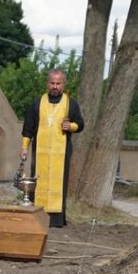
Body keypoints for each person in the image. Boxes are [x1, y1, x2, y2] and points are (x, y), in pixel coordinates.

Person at [20, 69, 85, 228]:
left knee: (59, 183)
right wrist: (24, 148)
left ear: (63, 84)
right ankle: (38, 216)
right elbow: (28, 128)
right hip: (41, 151)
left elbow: (81, 124)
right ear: (47, 83)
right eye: (52, 83)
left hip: (61, 152)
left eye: (58, 83)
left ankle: (57, 220)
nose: (55, 86)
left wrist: (71, 126)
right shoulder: (37, 102)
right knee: (39, 182)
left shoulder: (71, 103)